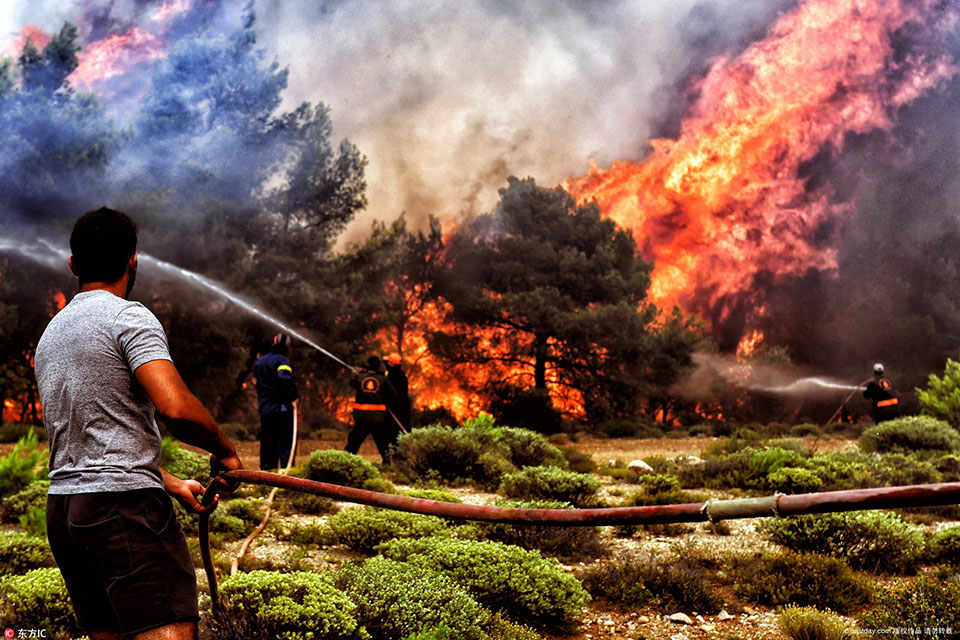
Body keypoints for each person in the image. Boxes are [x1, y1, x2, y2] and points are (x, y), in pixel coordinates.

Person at [34, 207, 243, 640]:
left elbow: (91, 439)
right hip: (122, 512)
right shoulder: (128, 317)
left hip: (66, 513)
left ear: (73, 264)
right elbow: (176, 408)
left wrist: (169, 481)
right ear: (133, 260)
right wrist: (224, 451)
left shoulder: (51, 334)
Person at [254, 333, 300, 470]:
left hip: (265, 408)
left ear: (273, 344)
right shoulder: (283, 361)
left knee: (268, 442)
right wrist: (293, 396)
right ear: (287, 347)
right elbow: (283, 378)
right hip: (282, 408)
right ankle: (288, 477)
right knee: (285, 443)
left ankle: (267, 475)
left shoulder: (260, 361)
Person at [345, 355, 398, 462]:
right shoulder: (383, 379)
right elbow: (394, 394)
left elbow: (352, 383)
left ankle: (346, 461)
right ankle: (387, 463)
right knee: (382, 442)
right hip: (378, 417)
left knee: (354, 441)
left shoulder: (360, 377)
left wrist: (355, 375)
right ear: (378, 366)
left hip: (362, 417)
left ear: (367, 365)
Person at [384, 352, 411, 432]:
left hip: (397, 408)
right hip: (400, 407)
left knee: (398, 430)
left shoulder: (396, 377)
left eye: (388, 362)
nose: (387, 364)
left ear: (392, 364)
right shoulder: (398, 374)